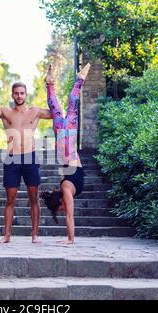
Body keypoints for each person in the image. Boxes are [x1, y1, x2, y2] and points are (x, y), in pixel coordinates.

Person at [0, 82, 52, 243]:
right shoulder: (5, 112)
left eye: (22, 93)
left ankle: (35, 235)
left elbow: (56, 112)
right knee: (10, 199)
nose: (19, 96)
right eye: (16, 93)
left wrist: (50, 86)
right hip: (12, 158)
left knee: (33, 198)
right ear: (12, 95)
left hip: (30, 157)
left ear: (26, 94)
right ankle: (7, 235)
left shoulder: (35, 111)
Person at [39, 63, 91, 245]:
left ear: (60, 200)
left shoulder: (67, 190)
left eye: (59, 207)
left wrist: (70, 240)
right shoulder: (65, 185)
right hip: (66, 143)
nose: (63, 209)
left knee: (67, 107)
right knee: (62, 108)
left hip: (66, 144)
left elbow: (70, 216)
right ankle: (51, 84)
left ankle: (74, 81)